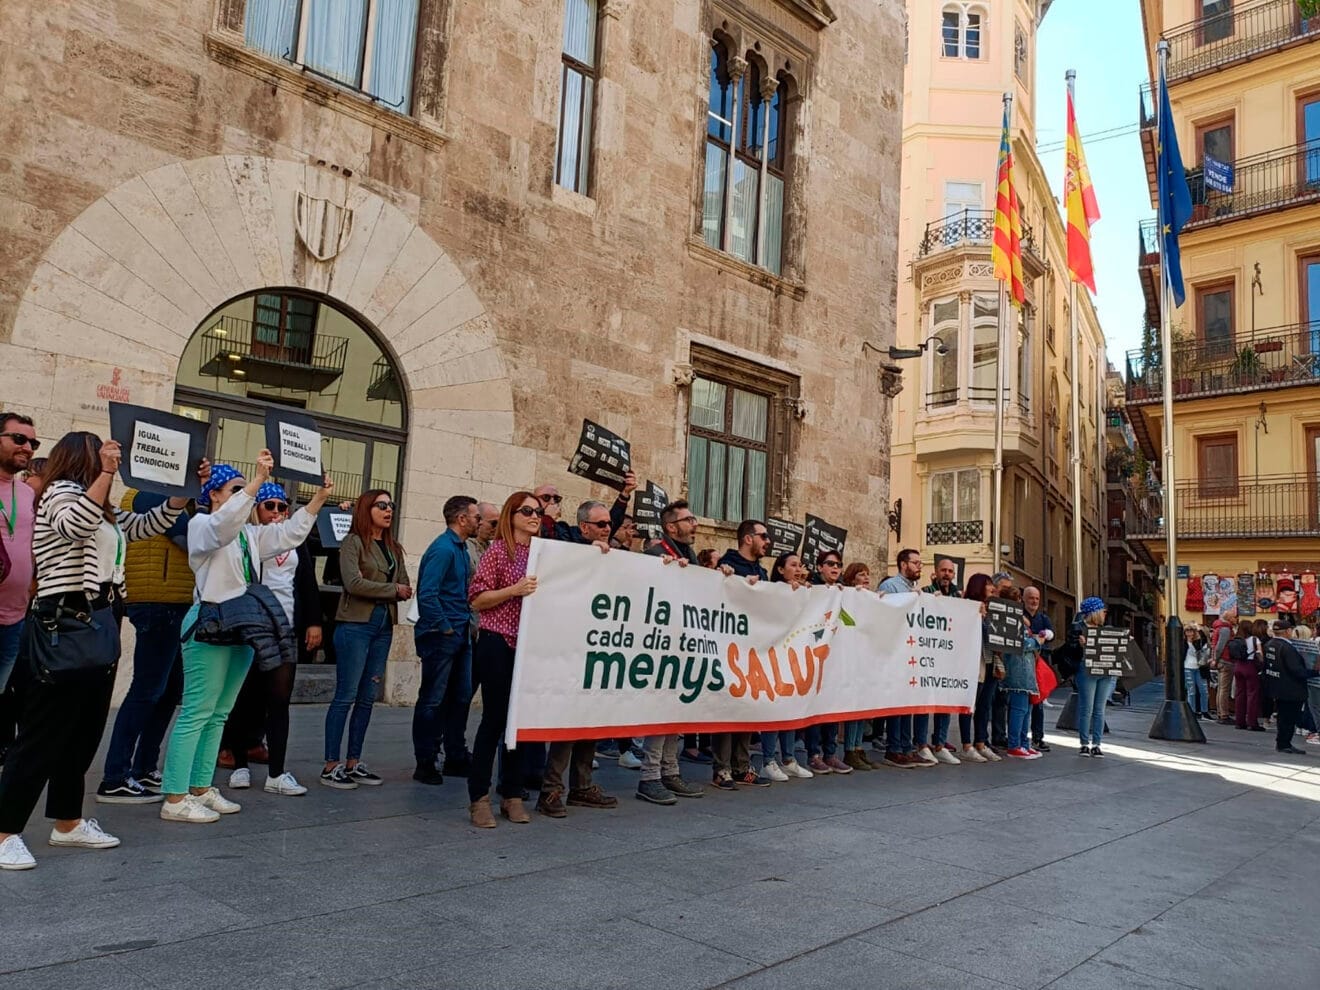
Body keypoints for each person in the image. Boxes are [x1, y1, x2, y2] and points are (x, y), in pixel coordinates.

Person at [0, 432, 197, 867]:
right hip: (62, 621)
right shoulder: (59, 494)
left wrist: (181, 496)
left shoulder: (101, 505)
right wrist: (106, 473)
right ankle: (4, 831)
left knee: (83, 733)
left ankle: (68, 822)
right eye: (103, 455)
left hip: (98, 622)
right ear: (83, 458)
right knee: (42, 734)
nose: (114, 460)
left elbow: (142, 527)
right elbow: (75, 526)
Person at [159, 457, 329, 824]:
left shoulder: (248, 534)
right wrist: (256, 482)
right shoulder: (202, 525)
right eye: (236, 490)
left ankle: (201, 787)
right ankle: (175, 796)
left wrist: (318, 499)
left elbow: (288, 534)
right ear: (214, 495)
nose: (246, 496)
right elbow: (222, 527)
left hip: (239, 625)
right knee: (197, 712)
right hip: (209, 622)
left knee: (219, 713)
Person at [223, 483, 323, 796]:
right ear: (256, 509)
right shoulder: (249, 537)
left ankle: (277, 774)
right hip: (253, 625)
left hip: (286, 627)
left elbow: (307, 583)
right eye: (270, 506)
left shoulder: (294, 540)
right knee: (244, 696)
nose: (277, 512)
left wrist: (314, 622)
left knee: (279, 699)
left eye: (282, 506)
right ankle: (239, 764)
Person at [95, 488, 194, 804]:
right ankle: (115, 776)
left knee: (169, 690)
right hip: (158, 601)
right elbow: (192, 540)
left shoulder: (168, 495)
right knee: (147, 690)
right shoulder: (149, 493)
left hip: (172, 600)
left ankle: (144, 767)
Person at [321, 489, 410, 790]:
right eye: (381, 505)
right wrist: (391, 590)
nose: (388, 510)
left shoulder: (393, 548)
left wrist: (390, 588)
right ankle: (331, 765)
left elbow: (405, 584)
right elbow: (353, 583)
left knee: (367, 696)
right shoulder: (353, 542)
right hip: (355, 625)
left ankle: (353, 761)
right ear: (366, 509)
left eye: (391, 505)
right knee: (346, 694)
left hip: (383, 626)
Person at [466, 491, 541, 827]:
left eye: (537, 512)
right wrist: (514, 590)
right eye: (527, 511)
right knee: (494, 719)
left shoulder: (542, 554)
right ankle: (479, 797)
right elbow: (477, 599)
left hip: (528, 644)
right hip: (497, 640)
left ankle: (512, 793)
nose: (534, 516)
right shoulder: (497, 551)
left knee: (519, 721)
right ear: (512, 516)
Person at [413, 495, 480, 786]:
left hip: (460, 633)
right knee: (432, 699)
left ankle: (454, 755)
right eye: (476, 517)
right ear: (461, 519)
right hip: (443, 635)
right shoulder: (443, 549)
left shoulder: (461, 549)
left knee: (461, 696)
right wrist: (445, 627)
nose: (479, 521)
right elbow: (427, 593)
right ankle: (426, 761)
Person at [878, 549, 934, 768]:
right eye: (915, 562)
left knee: (908, 703)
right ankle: (894, 749)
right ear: (903, 564)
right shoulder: (890, 586)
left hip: (912, 653)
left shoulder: (915, 588)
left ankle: (906, 747)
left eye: (920, 563)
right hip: (896, 653)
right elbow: (885, 615)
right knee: (897, 704)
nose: (919, 566)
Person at [0, 414, 37, 698]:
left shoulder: (26, 493)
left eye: (32, 443)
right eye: (19, 439)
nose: (27, 447)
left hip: (14, 619)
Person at [915, 563, 964, 765]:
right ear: (936, 572)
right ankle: (921, 744)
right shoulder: (926, 591)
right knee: (925, 702)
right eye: (943, 570)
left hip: (948, 657)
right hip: (928, 655)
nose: (947, 574)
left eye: (950, 571)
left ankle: (940, 744)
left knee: (945, 700)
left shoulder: (958, 597)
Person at [999, 587, 1043, 759]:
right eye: (1017, 599)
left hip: (1026, 669)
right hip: (1017, 669)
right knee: (1019, 709)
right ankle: (1014, 745)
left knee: (1026, 709)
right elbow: (1020, 644)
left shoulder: (1018, 619)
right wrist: (1036, 641)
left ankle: (1024, 743)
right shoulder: (1009, 619)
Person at [960, 573, 999, 763]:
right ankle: (966, 745)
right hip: (974, 662)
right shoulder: (966, 607)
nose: (993, 588)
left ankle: (981, 743)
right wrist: (981, 619)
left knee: (984, 705)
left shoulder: (992, 608)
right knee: (969, 704)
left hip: (990, 660)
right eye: (989, 584)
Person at [1073, 598, 1116, 757]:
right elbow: (1070, 648)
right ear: (1095, 612)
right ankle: (1084, 743)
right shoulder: (1078, 627)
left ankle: (1097, 744)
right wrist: (1080, 645)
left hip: (1104, 671)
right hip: (1086, 670)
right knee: (1087, 708)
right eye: (1103, 611)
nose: (1105, 614)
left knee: (1099, 709)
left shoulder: (1104, 630)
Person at [1262, 620, 1310, 755]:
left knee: (1283, 717)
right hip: (1291, 689)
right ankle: (1284, 743)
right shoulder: (1287, 648)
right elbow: (1296, 670)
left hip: (1277, 686)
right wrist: (1314, 672)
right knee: (1288, 718)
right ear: (1288, 631)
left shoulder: (1270, 644)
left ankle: (1282, 742)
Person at [1022, 587, 1054, 752]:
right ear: (1024, 599)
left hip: (1039, 663)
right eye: (1031, 598)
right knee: (1020, 703)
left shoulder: (1043, 618)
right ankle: (1019, 738)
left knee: (1038, 703)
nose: (1034, 601)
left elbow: (1051, 635)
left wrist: (1047, 634)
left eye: (1036, 598)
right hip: (1022, 663)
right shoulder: (1019, 615)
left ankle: (1037, 737)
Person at [1229, 619, 1264, 732]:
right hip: (1250, 666)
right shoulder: (1254, 639)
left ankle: (1239, 721)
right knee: (1252, 695)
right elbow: (1260, 654)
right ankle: (1252, 722)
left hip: (1238, 666)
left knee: (1240, 694)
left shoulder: (1236, 639)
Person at [1210, 607, 1238, 724]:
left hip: (1221, 660)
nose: (1236, 619)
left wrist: (1214, 659)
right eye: (1234, 617)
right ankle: (1224, 715)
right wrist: (1215, 659)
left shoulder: (1218, 628)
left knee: (1221, 688)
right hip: (1225, 660)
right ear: (1229, 618)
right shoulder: (1225, 629)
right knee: (1224, 689)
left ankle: (1220, 713)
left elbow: (1215, 645)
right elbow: (1220, 646)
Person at [1182, 624, 1210, 719]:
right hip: (1188, 667)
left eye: (1191, 631)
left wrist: (1199, 629)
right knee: (1191, 691)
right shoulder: (1183, 643)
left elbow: (1205, 639)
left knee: (1204, 690)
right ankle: (1192, 711)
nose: (1189, 633)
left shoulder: (1199, 642)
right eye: (1187, 631)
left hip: (1200, 668)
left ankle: (1204, 711)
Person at [465, 501, 499, 575]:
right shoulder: (466, 548)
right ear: (479, 521)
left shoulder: (491, 547)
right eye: (494, 523)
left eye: (499, 524)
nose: (496, 528)